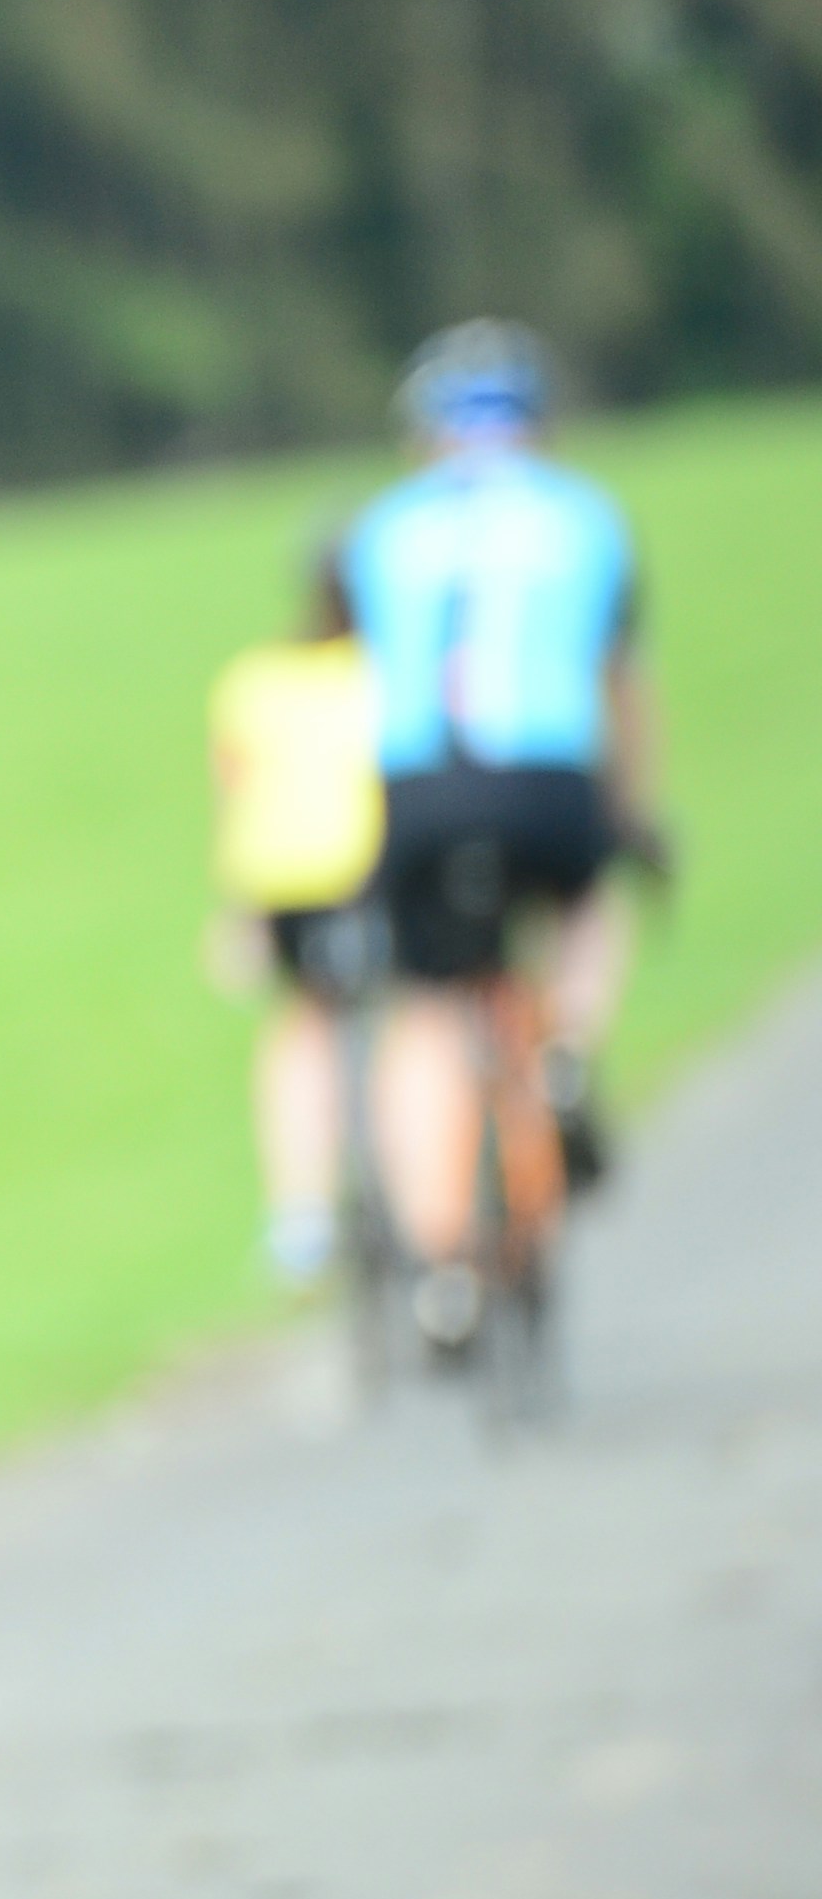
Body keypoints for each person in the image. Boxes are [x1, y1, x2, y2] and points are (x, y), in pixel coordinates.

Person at [339, 322, 653, 1299]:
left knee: (425, 1009)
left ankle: (440, 1262)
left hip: (422, 788)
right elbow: (620, 686)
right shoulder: (585, 516)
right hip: (549, 777)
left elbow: (364, 680)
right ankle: (561, 1051)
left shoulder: (381, 527)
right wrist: (629, 811)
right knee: (591, 900)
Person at [205, 554, 382, 1284]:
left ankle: (299, 1214)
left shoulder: (252, 680)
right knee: (411, 1021)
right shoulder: (394, 671)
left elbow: (237, 797)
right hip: (375, 873)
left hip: (282, 882)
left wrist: (238, 916)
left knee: (302, 1025)